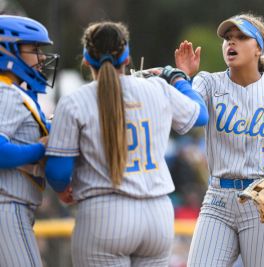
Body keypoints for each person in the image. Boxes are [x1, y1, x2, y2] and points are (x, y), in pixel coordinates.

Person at [44, 21, 208, 266]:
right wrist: (178, 77)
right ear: (128, 57)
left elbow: (58, 172)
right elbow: (200, 115)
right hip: (157, 214)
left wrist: (62, 190)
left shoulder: (75, 101)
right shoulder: (157, 87)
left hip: (104, 212)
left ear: (87, 59)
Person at [175, 13, 264, 266]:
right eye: (228, 38)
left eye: (241, 37)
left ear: (258, 47)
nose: (231, 43)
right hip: (217, 199)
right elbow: (187, 121)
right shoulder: (207, 82)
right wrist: (183, 77)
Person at [0, 15, 59, 266]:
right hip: (7, 206)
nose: (42, 57)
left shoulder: (14, 92)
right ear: (7, 49)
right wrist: (40, 149)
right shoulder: (5, 92)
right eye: (34, 49)